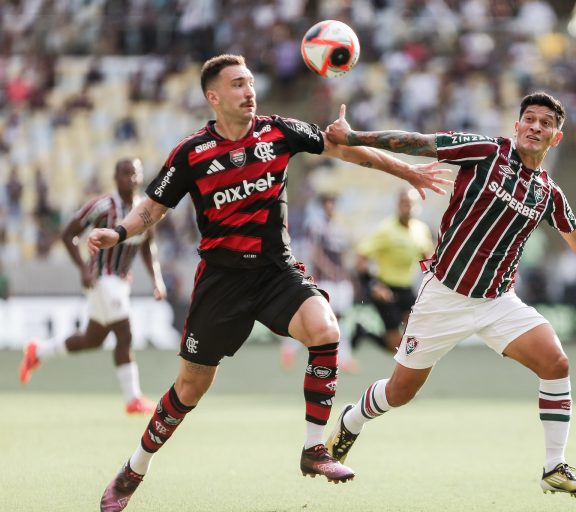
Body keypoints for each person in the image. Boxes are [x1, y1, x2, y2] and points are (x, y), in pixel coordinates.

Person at [87, 54, 450, 512]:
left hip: (276, 270)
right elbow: (153, 208)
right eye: (237, 84)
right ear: (213, 96)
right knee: (189, 389)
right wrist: (119, 232)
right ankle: (134, 468)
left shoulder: (279, 131)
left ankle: (313, 449)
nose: (248, 91)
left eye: (251, 82)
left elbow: (345, 150)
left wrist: (406, 170)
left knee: (327, 331)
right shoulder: (192, 153)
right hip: (221, 280)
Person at [324, 92, 576, 497]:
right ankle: (352, 419)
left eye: (545, 123)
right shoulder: (485, 151)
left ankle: (554, 466)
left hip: (497, 302)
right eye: (528, 119)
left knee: (555, 362)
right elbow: (419, 142)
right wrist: (355, 136)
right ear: (516, 127)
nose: (535, 126)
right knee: (399, 392)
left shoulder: (548, 193)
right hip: (444, 295)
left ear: (556, 137)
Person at [18, 158, 166, 415]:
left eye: (135, 174)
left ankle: (37, 350)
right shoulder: (102, 206)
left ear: (141, 178)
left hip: (120, 282)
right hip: (101, 278)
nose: (130, 179)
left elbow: (147, 246)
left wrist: (157, 279)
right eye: (124, 174)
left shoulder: (145, 208)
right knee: (124, 332)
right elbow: (68, 234)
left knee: (92, 339)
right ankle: (133, 399)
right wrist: (83, 267)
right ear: (115, 177)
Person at [280, 193, 358, 372]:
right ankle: (290, 347)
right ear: (323, 206)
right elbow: (315, 252)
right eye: (328, 203)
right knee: (321, 320)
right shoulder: (316, 226)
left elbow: (344, 255)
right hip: (324, 280)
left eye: (333, 203)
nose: (331, 206)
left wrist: (346, 274)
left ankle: (344, 359)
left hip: (339, 281)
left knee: (340, 319)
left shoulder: (340, 227)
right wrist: (329, 269)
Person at [352, 188, 433, 352]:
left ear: (417, 206)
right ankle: (365, 332)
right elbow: (360, 258)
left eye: (410, 203)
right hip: (385, 290)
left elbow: (429, 259)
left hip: (406, 289)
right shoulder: (386, 229)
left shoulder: (421, 229)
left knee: (420, 332)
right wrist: (373, 285)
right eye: (403, 203)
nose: (407, 207)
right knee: (395, 347)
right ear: (397, 205)